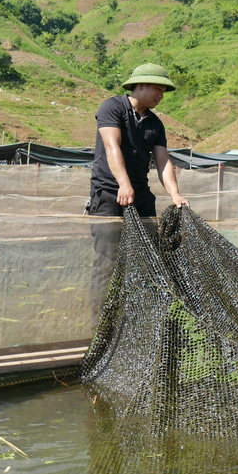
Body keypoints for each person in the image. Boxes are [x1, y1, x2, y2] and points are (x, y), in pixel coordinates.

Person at [87, 63, 188, 321]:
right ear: (140, 85)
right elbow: (112, 147)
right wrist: (123, 183)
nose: (161, 95)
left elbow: (163, 161)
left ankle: (138, 322)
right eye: (157, 88)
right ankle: (100, 326)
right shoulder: (113, 107)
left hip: (141, 196)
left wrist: (175, 195)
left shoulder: (155, 124)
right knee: (108, 261)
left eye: (164, 90)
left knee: (146, 258)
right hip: (109, 194)